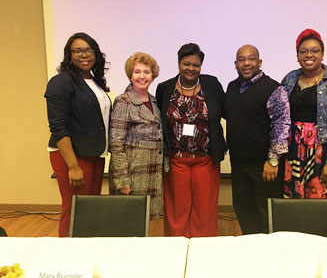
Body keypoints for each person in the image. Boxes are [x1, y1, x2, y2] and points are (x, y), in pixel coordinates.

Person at [281, 29, 327, 231]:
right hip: (296, 153)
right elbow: (281, 117)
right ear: (297, 55)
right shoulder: (289, 79)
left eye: (315, 50)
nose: (309, 55)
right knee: (297, 210)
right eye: (303, 51)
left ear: (322, 54)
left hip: (326, 152)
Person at [156, 43, 227, 237]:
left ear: (201, 66)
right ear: (179, 64)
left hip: (206, 159)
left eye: (196, 65)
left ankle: (203, 253)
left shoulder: (211, 85)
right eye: (186, 63)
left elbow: (228, 111)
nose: (191, 68)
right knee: (177, 211)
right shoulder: (165, 88)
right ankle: (176, 251)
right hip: (177, 160)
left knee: (204, 211)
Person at [44, 32, 111, 237]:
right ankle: (67, 260)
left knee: (90, 210)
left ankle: (86, 256)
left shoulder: (93, 80)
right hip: (72, 156)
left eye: (88, 50)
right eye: (78, 50)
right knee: (74, 210)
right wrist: (73, 166)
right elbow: (58, 127)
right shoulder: (61, 82)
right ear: (69, 55)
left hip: (92, 154)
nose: (84, 55)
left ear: (96, 54)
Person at [225, 44, 291, 235]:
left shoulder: (273, 89)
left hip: (264, 167)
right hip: (239, 165)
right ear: (235, 64)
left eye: (251, 58)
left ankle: (270, 257)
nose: (246, 63)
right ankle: (251, 250)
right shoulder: (232, 87)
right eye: (242, 59)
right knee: (244, 209)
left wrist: (272, 160)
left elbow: (282, 124)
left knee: (266, 214)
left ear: (259, 62)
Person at [109, 52, 163, 220]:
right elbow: (116, 143)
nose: (142, 76)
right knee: (129, 220)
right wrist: (122, 180)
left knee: (144, 220)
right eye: (137, 72)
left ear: (153, 75)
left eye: (146, 72)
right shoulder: (123, 101)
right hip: (132, 174)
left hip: (152, 173)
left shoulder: (154, 101)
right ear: (130, 75)